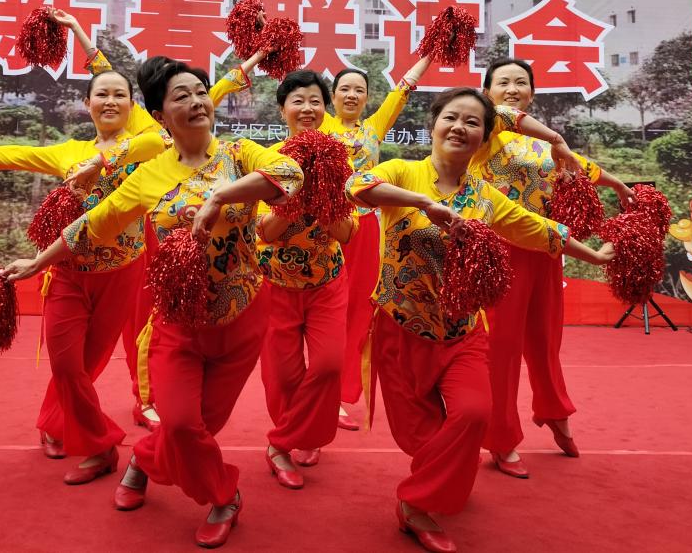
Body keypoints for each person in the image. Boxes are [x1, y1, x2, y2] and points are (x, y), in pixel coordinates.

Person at [4, 55, 303, 549]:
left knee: (202, 426)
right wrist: (39, 261)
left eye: (201, 92)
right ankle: (225, 496)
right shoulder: (148, 176)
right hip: (178, 322)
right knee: (182, 423)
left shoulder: (240, 152)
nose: (197, 101)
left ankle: (142, 461)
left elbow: (290, 175)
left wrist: (220, 197)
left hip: (242, 313)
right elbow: (94, 224)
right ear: (161, 116)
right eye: (182, 96)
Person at [346, 87, 615, 553]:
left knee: (473, 413)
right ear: (433, 125)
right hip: (400, 329)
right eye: (451, 117)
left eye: (472, 122)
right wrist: (423, 204)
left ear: (484, 137)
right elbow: (358, 185)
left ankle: (414, 506)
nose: (459, 127)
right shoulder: (403, 171)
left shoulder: (487, 198)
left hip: (462, 333)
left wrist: (594, 255)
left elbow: (539, 230)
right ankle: (434, 486)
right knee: (421, 440)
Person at [0, 66, 166, 485]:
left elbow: (157, 139)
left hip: (122, 273)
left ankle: (52, 422)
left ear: (132, 105)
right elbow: (15, 154)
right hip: (67, 272)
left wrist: (101, 160)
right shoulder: (68, 152)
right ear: (87, 103)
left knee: (88, 364)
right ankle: (100, 444)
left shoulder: (146, 146)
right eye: (102, 94)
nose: (110, 101)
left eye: (119, 94)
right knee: (65, 363)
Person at [58, 10, 265, 434]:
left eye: (198, 92)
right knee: (153, 326)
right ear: (157, 109)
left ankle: (156, 416)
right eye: (104, 95)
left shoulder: (208, 127)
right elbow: (104, 77)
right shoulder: (149, 132)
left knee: (160, 328)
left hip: (197, 249)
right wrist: (79, 32)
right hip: (156, 236)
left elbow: (225, 84)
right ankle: (148, 400)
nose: (112, 100)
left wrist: (260, 54)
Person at [477, 58, 634, 478]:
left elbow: (577, 166)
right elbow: (505, 115)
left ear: (532, 92)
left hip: (546, 249)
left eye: (521, 82)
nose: (513, 89)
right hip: (501, 249)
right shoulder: (486, 129)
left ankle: (553, 410)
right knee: (502, 349)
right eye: (503, 82)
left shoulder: (542, 143)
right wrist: (557, 138)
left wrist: (617, 184)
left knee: (545, 342)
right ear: (487, 90)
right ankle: (501, 436)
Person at [256, 70, 357, 488]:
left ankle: (289, 439)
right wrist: (296, 195)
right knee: (283, 376)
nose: (307, 108)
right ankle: (287, 442)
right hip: (274, 283)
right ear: (282, 109)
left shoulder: (340, 161)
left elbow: (347, 232)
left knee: (329, 365)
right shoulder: (265, 161)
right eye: (297, 100)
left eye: (315, 100)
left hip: (325, 282)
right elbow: (264, 231)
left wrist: (323, 194)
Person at [324, 58, 431, 430]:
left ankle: (338, 392)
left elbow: (402, 90)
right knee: (326, 308)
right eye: (344, 89)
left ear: (368, 98)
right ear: (332, 97)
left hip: (366, 228)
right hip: (326, 227)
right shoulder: (319, 125)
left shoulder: (374, 127)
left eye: (359, 90)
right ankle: (317, 385)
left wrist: (431, 50)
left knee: (357, 309)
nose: (352, 95)